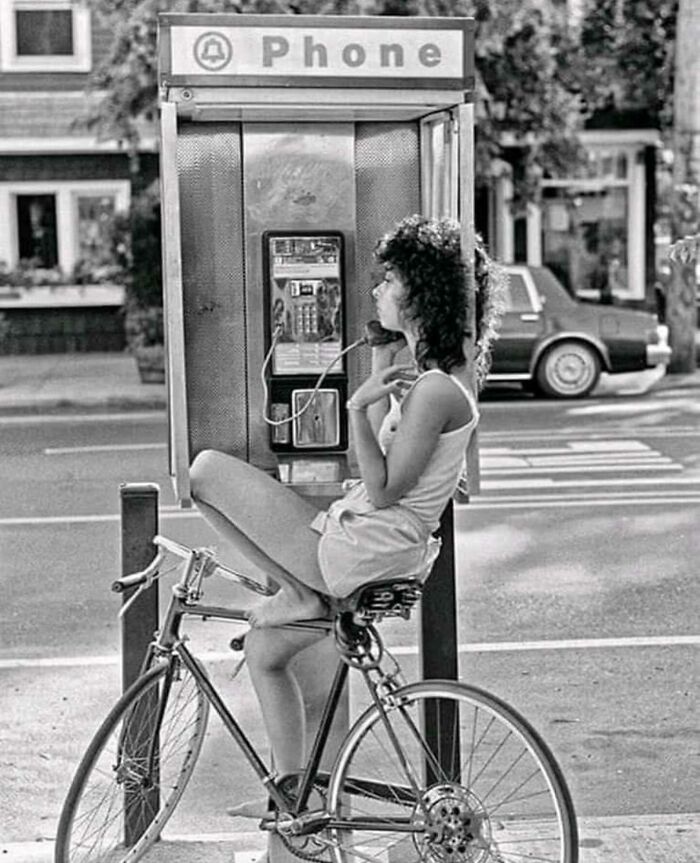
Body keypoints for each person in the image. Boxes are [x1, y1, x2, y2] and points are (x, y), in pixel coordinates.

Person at [189, 215, 505, 814]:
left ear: (421, 292)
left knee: (205, 471)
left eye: (390, 280)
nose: (379, 291)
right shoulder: (436, 379)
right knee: (265, 651)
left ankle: (297, 592)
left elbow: (384, 488)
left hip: (365, 542)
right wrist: (383, 377)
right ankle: (296, 797)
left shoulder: (437, 388)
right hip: (368, 537)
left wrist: (359, 406)